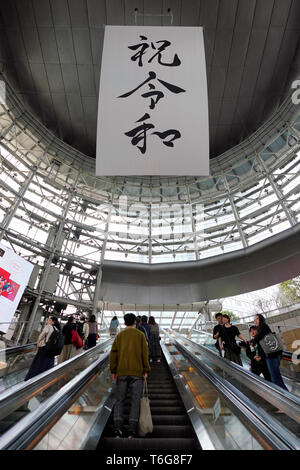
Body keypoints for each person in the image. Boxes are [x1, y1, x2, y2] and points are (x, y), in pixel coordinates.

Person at [110, 313, 150, 438]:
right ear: (135, 322)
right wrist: (146, 369)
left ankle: (117, 429)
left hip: (121, 372)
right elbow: (145, 353)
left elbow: (113, 354)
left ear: (124, 322)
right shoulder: (140, 335)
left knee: (119, 400)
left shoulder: (120, 335)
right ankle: (131, 430)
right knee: (135, 401)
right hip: (137, 374)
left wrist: (114, 371)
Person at [251, 314, 288, 391]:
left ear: (261, 319)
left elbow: (259, 337)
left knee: (276, 379)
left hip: (272, 355)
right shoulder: (261, 328)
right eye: (254, 320)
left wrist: (253, 342)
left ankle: (288, 398)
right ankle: (286, 396)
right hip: (272, 355)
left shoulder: (264, 326)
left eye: (256, 319)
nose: (255, 321)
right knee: (276, 378)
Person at [25, 316, 60, 381]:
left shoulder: (48, 326)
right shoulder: (56, 329)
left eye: (49, 320)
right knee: (45, 364)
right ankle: (43, 379)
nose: (48, 321)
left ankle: (32, 378)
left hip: (44, 347)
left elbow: (42, 335)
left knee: (38, 364)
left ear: (53, 322)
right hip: (51, 349)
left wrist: (38, 342)